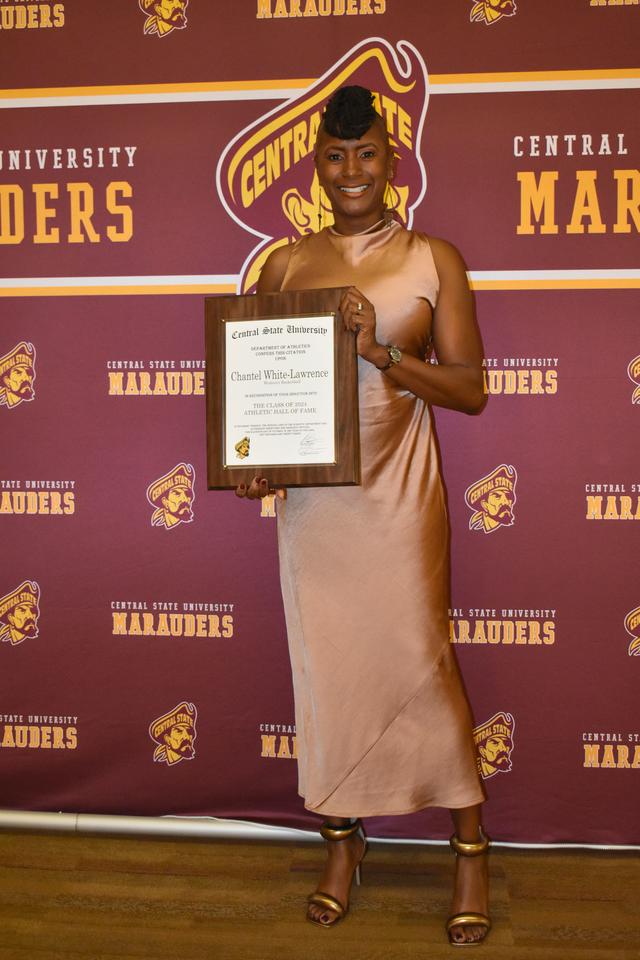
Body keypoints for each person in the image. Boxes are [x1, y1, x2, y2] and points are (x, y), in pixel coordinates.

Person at [236, 85, 490, 946]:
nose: (351, 171)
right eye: (336, 157)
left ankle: (470, 849)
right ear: (318, 166)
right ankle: (341, 847)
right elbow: (262, 391)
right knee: (327, 673)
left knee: (424, 659)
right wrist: (250, 461)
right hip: (315, 513)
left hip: (399, 496)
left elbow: (469, 391)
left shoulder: (432, 258)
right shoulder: (284, 264)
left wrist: (378, 352)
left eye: (367, 154)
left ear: (392, 160)